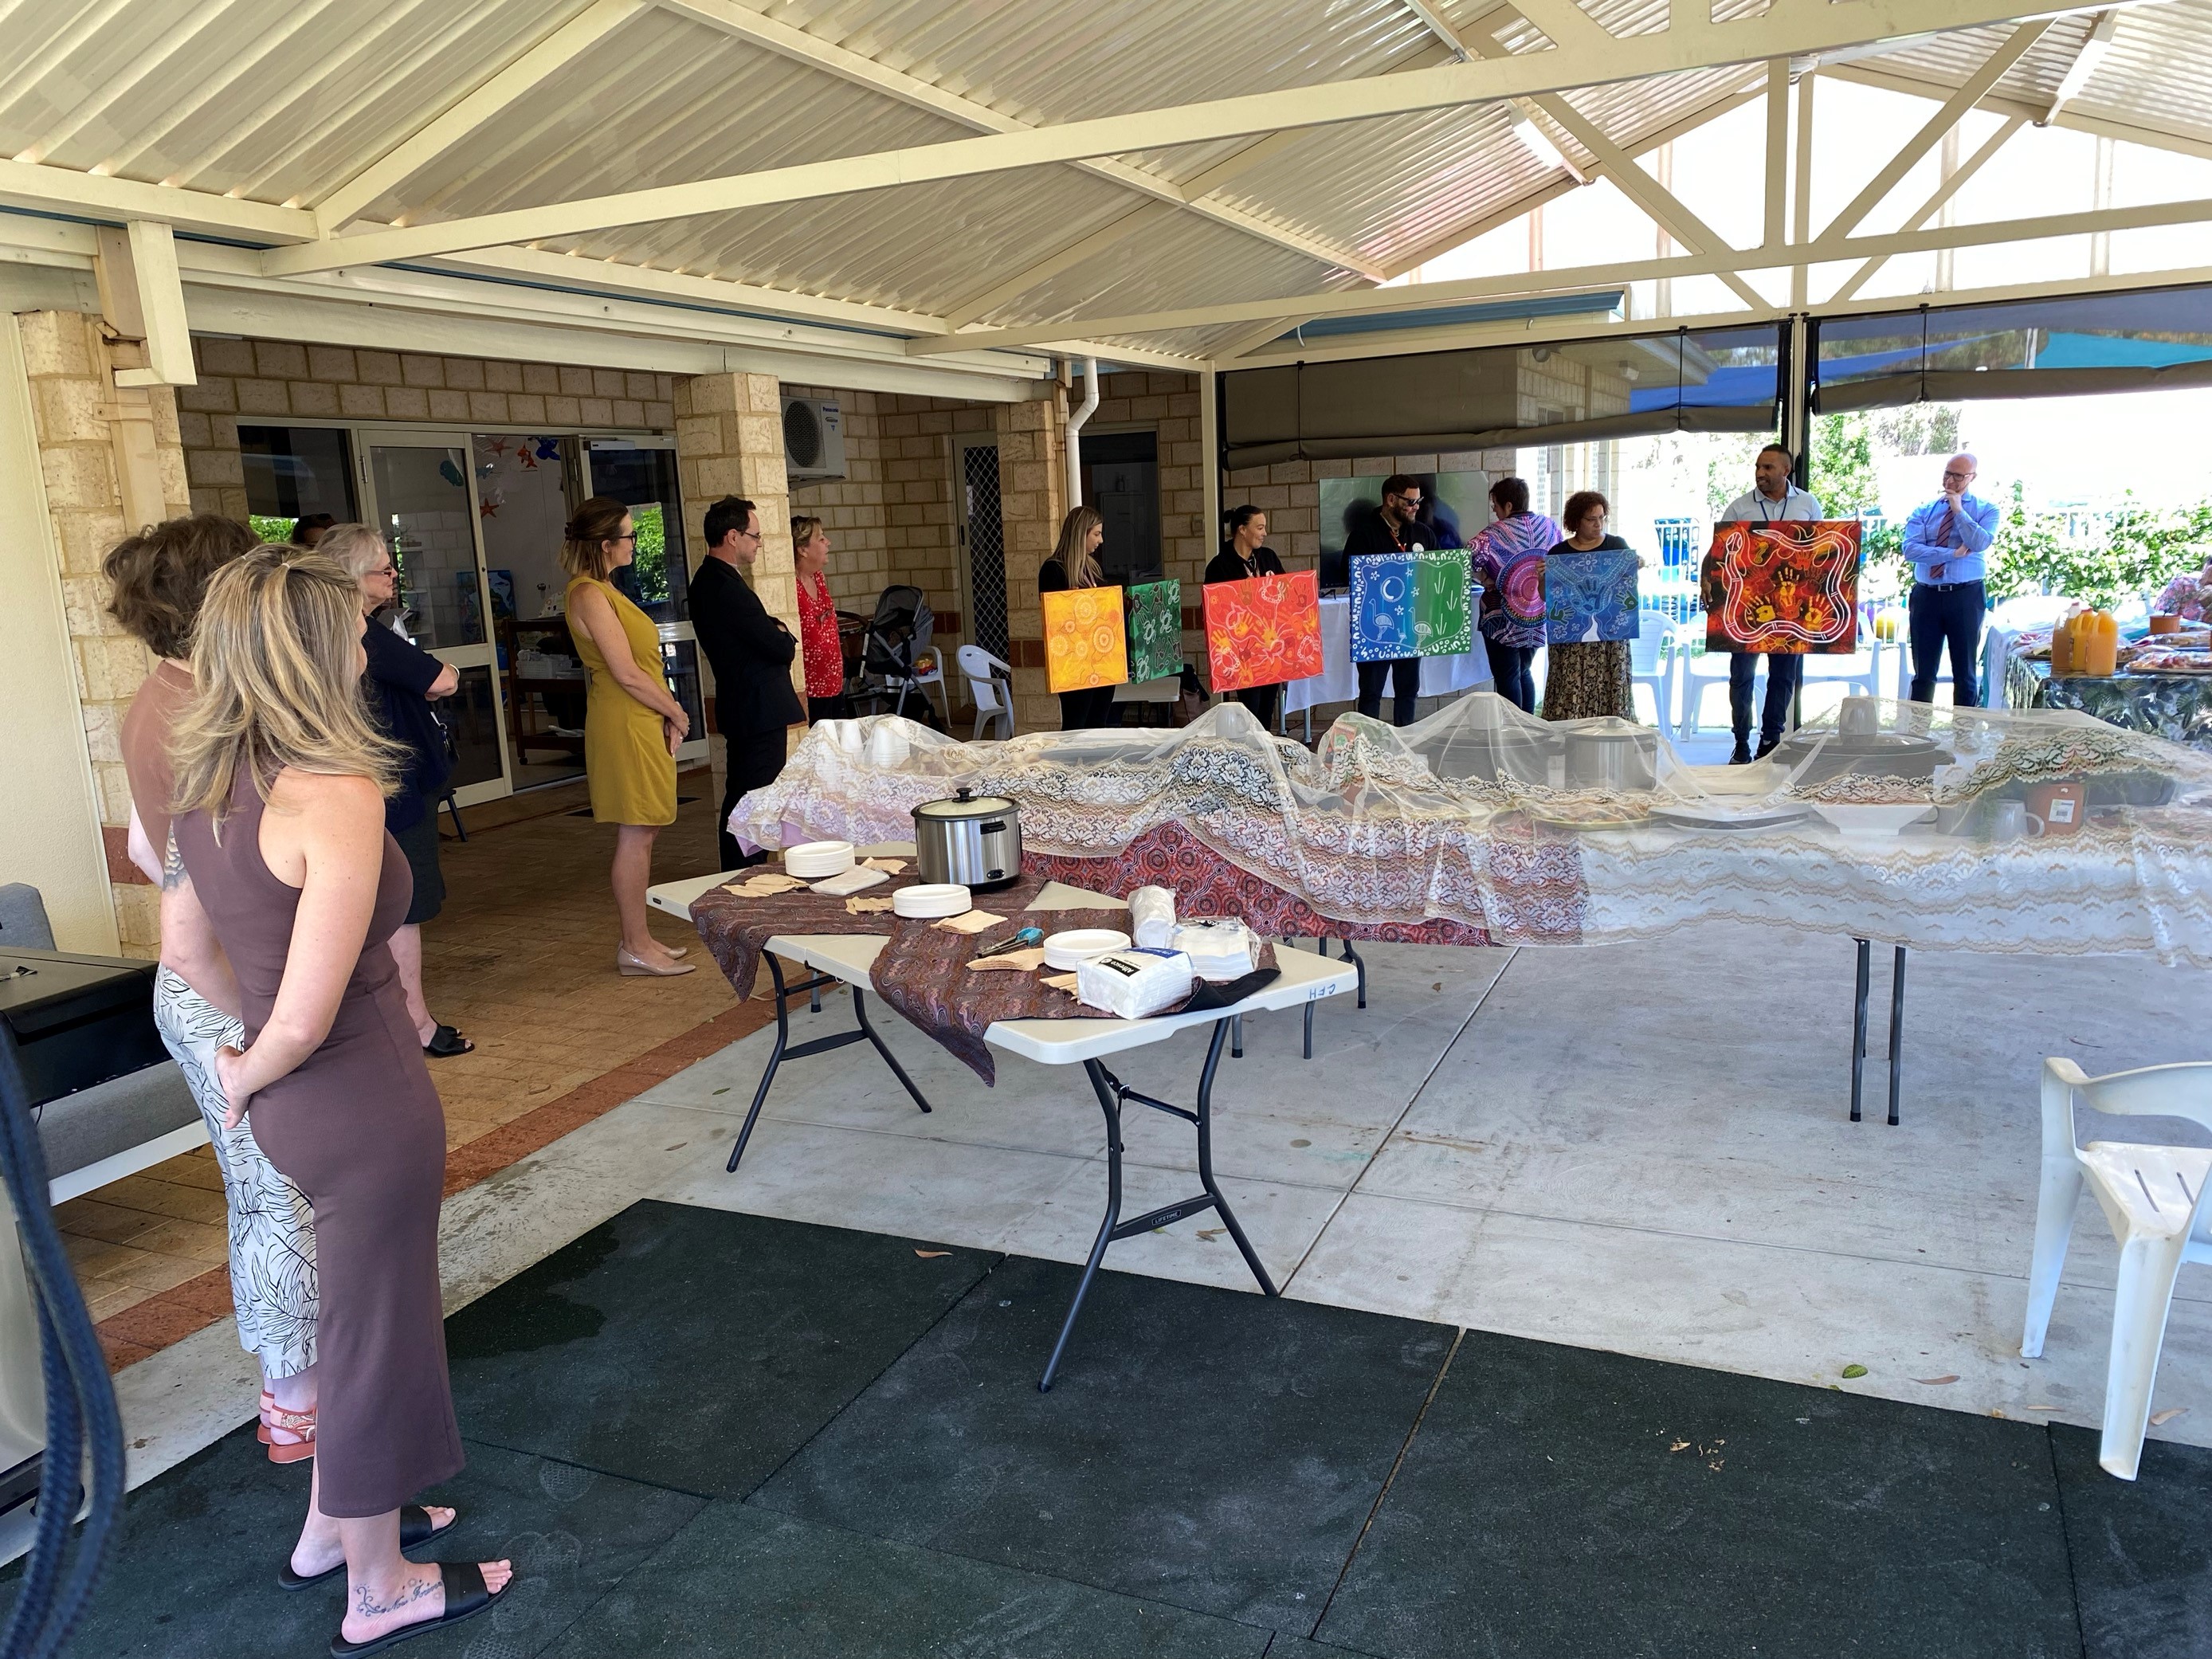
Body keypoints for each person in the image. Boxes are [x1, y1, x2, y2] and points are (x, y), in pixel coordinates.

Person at [169, 546, 512, 1653]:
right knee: (377, 1337)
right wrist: (250, 1066)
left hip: (308, 1109)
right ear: (313, 651)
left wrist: (251, 1060)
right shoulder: (336, 793)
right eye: (356, 626)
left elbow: (190, 951)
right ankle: (383, 1584)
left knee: (352, 1321)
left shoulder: (209, 786)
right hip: (359, 1098)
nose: (373, 641)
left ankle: (332, 1525)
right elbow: (306, 1017)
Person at [108, 515, 322, 1464]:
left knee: (266, 1192)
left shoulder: (159, 700)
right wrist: (267, 1020)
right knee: (277, 1194)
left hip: (218, 981)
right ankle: (296, 1405)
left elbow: (147, 853)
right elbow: (186, 904)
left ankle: (299, 1394)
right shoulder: (206, 713)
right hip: (225, 987)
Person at [321, 524, 473, 1057]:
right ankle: (416, 1023)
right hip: (396, 787)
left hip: (364, 783)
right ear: (352, 578)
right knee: (403, 905)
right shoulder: (361, 631)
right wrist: (448, 666)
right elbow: (442, 681)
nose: (393, 576)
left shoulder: (328, 630)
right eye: (384, 569)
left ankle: (389, 1018)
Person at [563, 496, 695, 975]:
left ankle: (641, 940)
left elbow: (640, 669)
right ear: (605, 544)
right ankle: (634, 946)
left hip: (639, 715)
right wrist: (677, 711)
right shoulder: (588, 594)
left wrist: (664, 711)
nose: (635, 543)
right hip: (623, 719)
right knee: (636, 832)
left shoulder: (606, 589)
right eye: (629, 535)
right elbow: (626, 672)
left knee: (647, 828)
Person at [692, 495, 805, 870]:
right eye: (755, 536)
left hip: (750, 705)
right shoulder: (721, 586)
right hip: (754, 707)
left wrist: (774, 631)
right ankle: (746, 872)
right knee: (752, 798)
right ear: (732, 536)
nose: (759, 543)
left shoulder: (717, 580)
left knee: (751, 794)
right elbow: (775, 644)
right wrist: (784, 633)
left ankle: (748, 869)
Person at [1720, 444, 1825, 762]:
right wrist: (1708, 582)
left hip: (1791, 605)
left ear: (1786, 471)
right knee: (1742, 676)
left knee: (1783, 675)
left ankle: (1771, 739)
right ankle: (1741, 742)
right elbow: (1720, 551)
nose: (1760, 473)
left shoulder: (1808, 504)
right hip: (1746, 605)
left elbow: (1821, 552)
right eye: (1757, 467)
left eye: (1768, 468)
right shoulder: (1739, 508)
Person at [1900, 452, 1998, 706]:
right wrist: (1952, 554)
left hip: (1966, 596)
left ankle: (1964, 741)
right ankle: (1918, 739)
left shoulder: (1986, 510)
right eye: (1947, 473)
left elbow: (1979, 542)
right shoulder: (1924, 510)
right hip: (1927, 596)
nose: (1950, 480)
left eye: (1958, 476)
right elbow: (1910, 550)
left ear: (1972, 477)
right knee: (1923, 674)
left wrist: (1958, 511)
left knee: (1965, 674)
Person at [1467, 477, 1562, 716]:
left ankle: (1513, 731)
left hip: (1501, 617)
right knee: (1524, 672)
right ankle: (1528, 728)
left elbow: (1465, 560)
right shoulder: (1550, 528)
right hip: (1537, 615)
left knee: (1507, 675)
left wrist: (1485, 579)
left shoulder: (1492, 534)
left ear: (1508, 506)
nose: (1495, 512)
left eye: (1496, 506)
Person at [1543, 492, 1636, 721]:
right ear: (1576, 521)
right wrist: (1542, 577)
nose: (1598, 524)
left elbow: (1626, 590)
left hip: (1610, 640)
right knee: (1570, 684)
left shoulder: (1616, 546)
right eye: (1591, 519)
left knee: (1610, 684)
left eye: (1602, 518)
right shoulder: (1559, 554)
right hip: (1571, 642)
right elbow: (1546, 598)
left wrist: (1635, 568)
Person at [1346, 475, 1431, 726]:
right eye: (1411, 501)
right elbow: (1349, 577)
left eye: (1419, 501)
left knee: (1408, 691)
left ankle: (1404, 746)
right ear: (1391, 499)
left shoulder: (1423, 533)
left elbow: (1438, 574)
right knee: (1371, 692)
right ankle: (1368, 749)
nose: (1416, 507)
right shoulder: (1363, 535)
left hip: (1410, 628)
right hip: (1375, 631)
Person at [1206, 504, 1287, 730]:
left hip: (1270, 647)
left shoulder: (1268, 557)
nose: (1264, 533)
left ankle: (1263, 752)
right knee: (1250, 706)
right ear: (1242, 529)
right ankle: (1249, 753)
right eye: (1259, 527)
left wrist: (1277, 590)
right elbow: (1215, 610)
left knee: (1268, 706)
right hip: (1242, 650)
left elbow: (1285, 595)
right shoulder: (1219, 565)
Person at [1038, 505, 1118, 731]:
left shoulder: (1092, 568)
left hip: (1102, 660)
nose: (1101, 540)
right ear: (1079, 533)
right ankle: (1071, 766)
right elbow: (1054, 618)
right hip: (1074, 663)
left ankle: (1094, 767)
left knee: (1098, 723)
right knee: (1076, 725)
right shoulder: (1053, 570)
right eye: (1096, 533)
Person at [792, 515, 849, 723]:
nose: (828, 542)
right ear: (803, 549)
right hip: (811, 687)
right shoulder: (792, 585)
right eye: (821, 538)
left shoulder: (818, 577)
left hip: (833, 681)